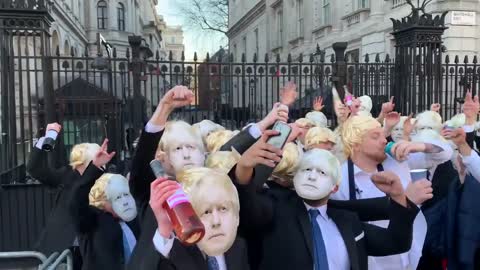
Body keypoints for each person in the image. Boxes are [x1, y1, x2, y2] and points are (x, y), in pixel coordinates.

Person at [233, 140, 419, 270]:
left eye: (322, 172)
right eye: (306, 170)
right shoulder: (276, 209)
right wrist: (243, 169)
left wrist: (397, 197)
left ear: (334, 186)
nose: (312, 176)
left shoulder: (348, 222)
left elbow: (395, 242)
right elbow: (249, 209)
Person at [332, 114, 453, 270]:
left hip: (409, 258)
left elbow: (445, 153)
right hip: (370, 262)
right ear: (355, 144)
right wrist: (405, 200)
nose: (384, 140)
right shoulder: (339, 179)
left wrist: (420, 146)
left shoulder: (397, 161)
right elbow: (345, 222)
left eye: (383, 135)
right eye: (376, 137)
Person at [131, 167, 250, 270]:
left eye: (223, 209)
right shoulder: (176, 253)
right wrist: (164, 229)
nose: (216, 221)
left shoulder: (238, 248)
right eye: (206, 212)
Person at [27, 122, 100, 268]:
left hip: (91, 251)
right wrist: (48, 138)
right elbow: (35, 169)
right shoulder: (67, 175)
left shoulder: (105, 179)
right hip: (60, 249)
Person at [69, 139, 140, 270]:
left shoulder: (132, 218)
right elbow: (77, 202)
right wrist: (95, 166)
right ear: (103, 199)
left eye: (125, 195)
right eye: (117, 196)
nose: (124, 201)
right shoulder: (92, 220)